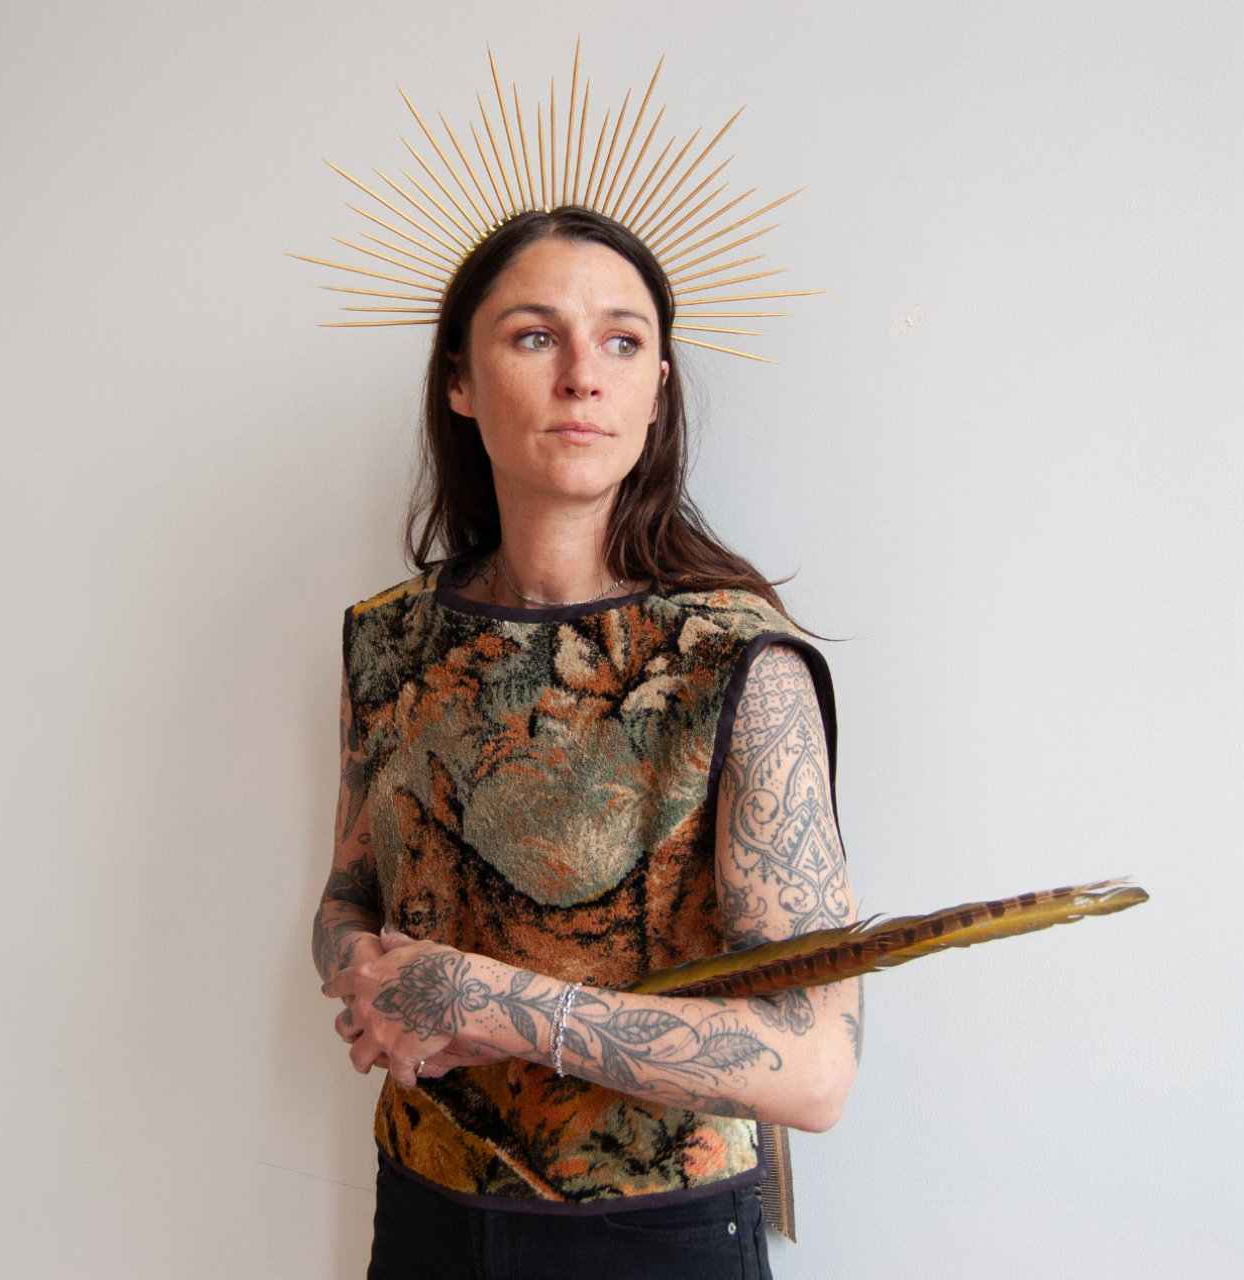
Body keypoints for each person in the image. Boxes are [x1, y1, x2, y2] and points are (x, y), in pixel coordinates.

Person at [312, 204, 861, 1280]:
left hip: (655, 1233)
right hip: (420, 1206)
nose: (581, 374)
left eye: (622, 340)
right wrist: (366, 974)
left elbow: (816, 1067)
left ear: (658, 390)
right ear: (460, 382)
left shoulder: (736, 666)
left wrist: (483, 1000)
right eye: (532, 335)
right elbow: (346, 895)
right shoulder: (390, 639)